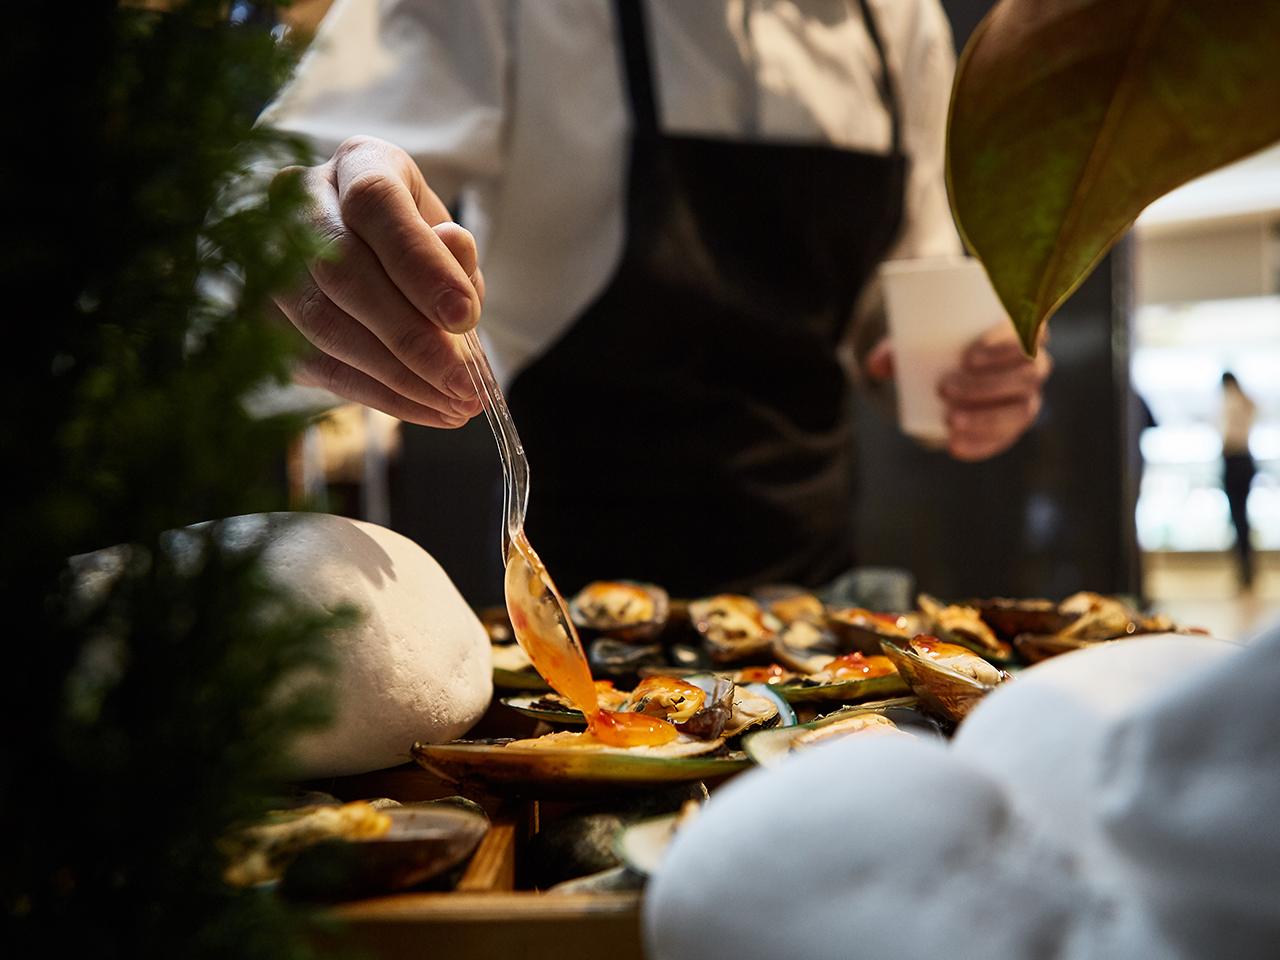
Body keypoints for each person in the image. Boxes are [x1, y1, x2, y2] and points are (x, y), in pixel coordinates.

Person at [262, 0, 1052, 596]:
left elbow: (896, 304)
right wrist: (294, 237)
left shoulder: (898, 18)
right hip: (569, 601)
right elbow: (261, 201)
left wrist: (962, 376)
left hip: (813, 608)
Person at [1220, 371, 1257, 589]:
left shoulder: (1230, 401)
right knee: (1242, 517)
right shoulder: (1248, 401)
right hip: (1246, 460)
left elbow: (1227, 436)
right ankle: (1247, 569)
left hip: (1234, 460)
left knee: (1237, 517)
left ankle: (1244, 570)